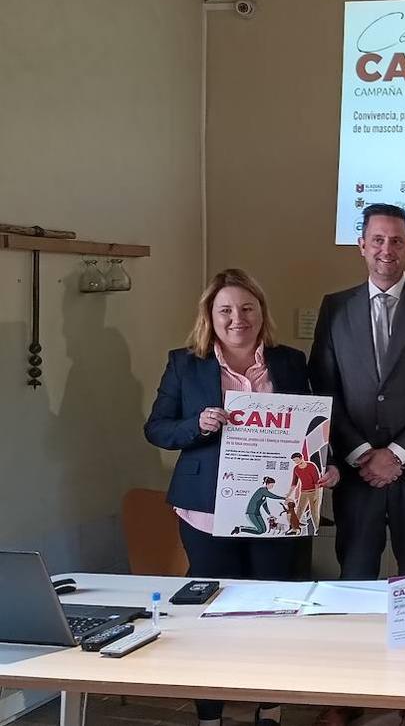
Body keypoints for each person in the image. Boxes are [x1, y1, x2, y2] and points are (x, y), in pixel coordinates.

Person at [144, 268, 338, 726]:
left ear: (261, 313)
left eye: (247, 308)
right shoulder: (184, 363)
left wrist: (324, 467)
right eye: (226, 310)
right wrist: (198, 425)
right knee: (210, 615)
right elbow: (157, 428)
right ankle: (209, 715)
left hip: (275, 513)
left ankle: (268, 710)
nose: (237, 318)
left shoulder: (289, 362)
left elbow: (309, 427)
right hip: (206, 513)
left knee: (272, 614)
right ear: (209, 316)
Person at [310, 202, 405, 581]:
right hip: (356, 472)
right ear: (361, 245)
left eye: (396, 241)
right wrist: (362, 454)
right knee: (356, 575)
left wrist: (396, 455)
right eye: (377, 240)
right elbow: (324, 387)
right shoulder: (335, 307)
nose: (386, 249)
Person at [286, 452, 323, 535]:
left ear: (301, 457)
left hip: (314, 491)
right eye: (294, 460)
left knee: (314, 511)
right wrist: (288, 494)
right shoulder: (296, 469)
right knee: (299, 510)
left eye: (296, 459)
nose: (296, 462)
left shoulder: (311, 466)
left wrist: (317, 495)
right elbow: (294, 483)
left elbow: (317, 482)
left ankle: (317, 529)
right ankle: (295, 529)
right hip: (304, 492)